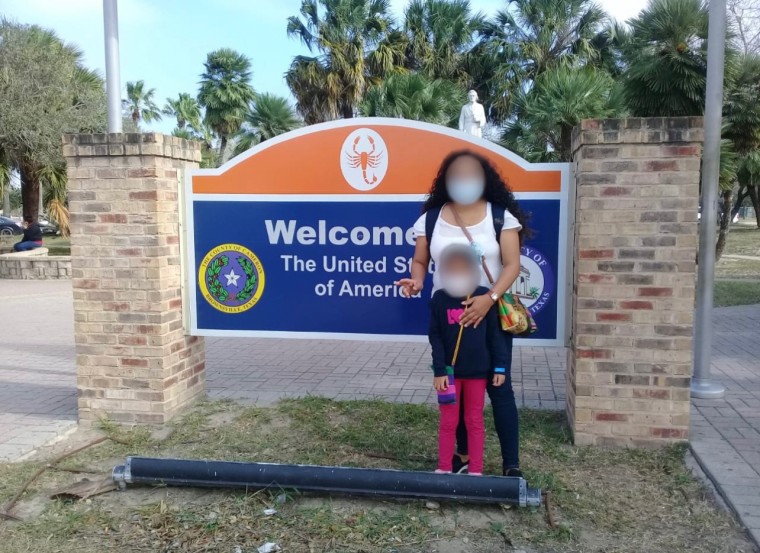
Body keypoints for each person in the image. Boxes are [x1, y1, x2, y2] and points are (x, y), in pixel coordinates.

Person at [395, 150, 530, 477]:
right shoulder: (431, 218)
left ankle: (511, 465)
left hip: (490, 316)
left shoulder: (500, 217)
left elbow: (512, 265)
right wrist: (415, 280)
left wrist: (490, 298)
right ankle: (463, 456)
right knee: (454, 387)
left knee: (499, 388)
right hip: (451, 317)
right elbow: (421, 261)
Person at [430, 244, 508, 475]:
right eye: (451, 267)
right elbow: (435, 337)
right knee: (448, 422)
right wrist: (439, 371)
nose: (457, 271)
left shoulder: (485, 297)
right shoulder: (439, 299)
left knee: (474, 421)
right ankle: (444, 468)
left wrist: (500, 367)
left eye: (463, 267)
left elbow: (495, 337)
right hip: (449, 375)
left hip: (477, 373)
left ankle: (476, 470)